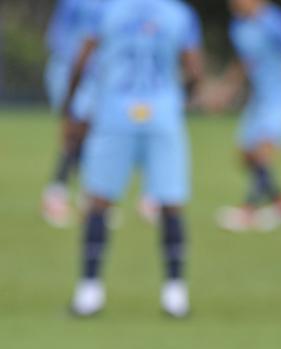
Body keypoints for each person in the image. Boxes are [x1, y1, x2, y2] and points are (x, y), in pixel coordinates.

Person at [63, 0, 204, 318]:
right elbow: (195, 70)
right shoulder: (179, 13)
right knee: (171, 203)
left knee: (98, 201)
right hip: (163, 114)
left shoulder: (105, 10)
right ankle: (175, 294)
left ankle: (89, 292)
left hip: (115, 111)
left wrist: (69, 108)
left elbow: (81, 61)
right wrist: (178, 97)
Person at [212, 0, 281, 233]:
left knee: (263, 152)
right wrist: (227, 91)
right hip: (260, 99)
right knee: (246, 156)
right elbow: (244, 62)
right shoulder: (237, 26)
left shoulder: (275, 21)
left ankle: (248, 210)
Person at [42, 0, 102, 228]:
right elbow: (57, 38)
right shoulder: (73, 3)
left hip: (95, 76)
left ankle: (86, 196)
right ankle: (57, 194)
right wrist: (75, 66)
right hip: (69, 72)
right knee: (74, 132)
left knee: (90, 135)